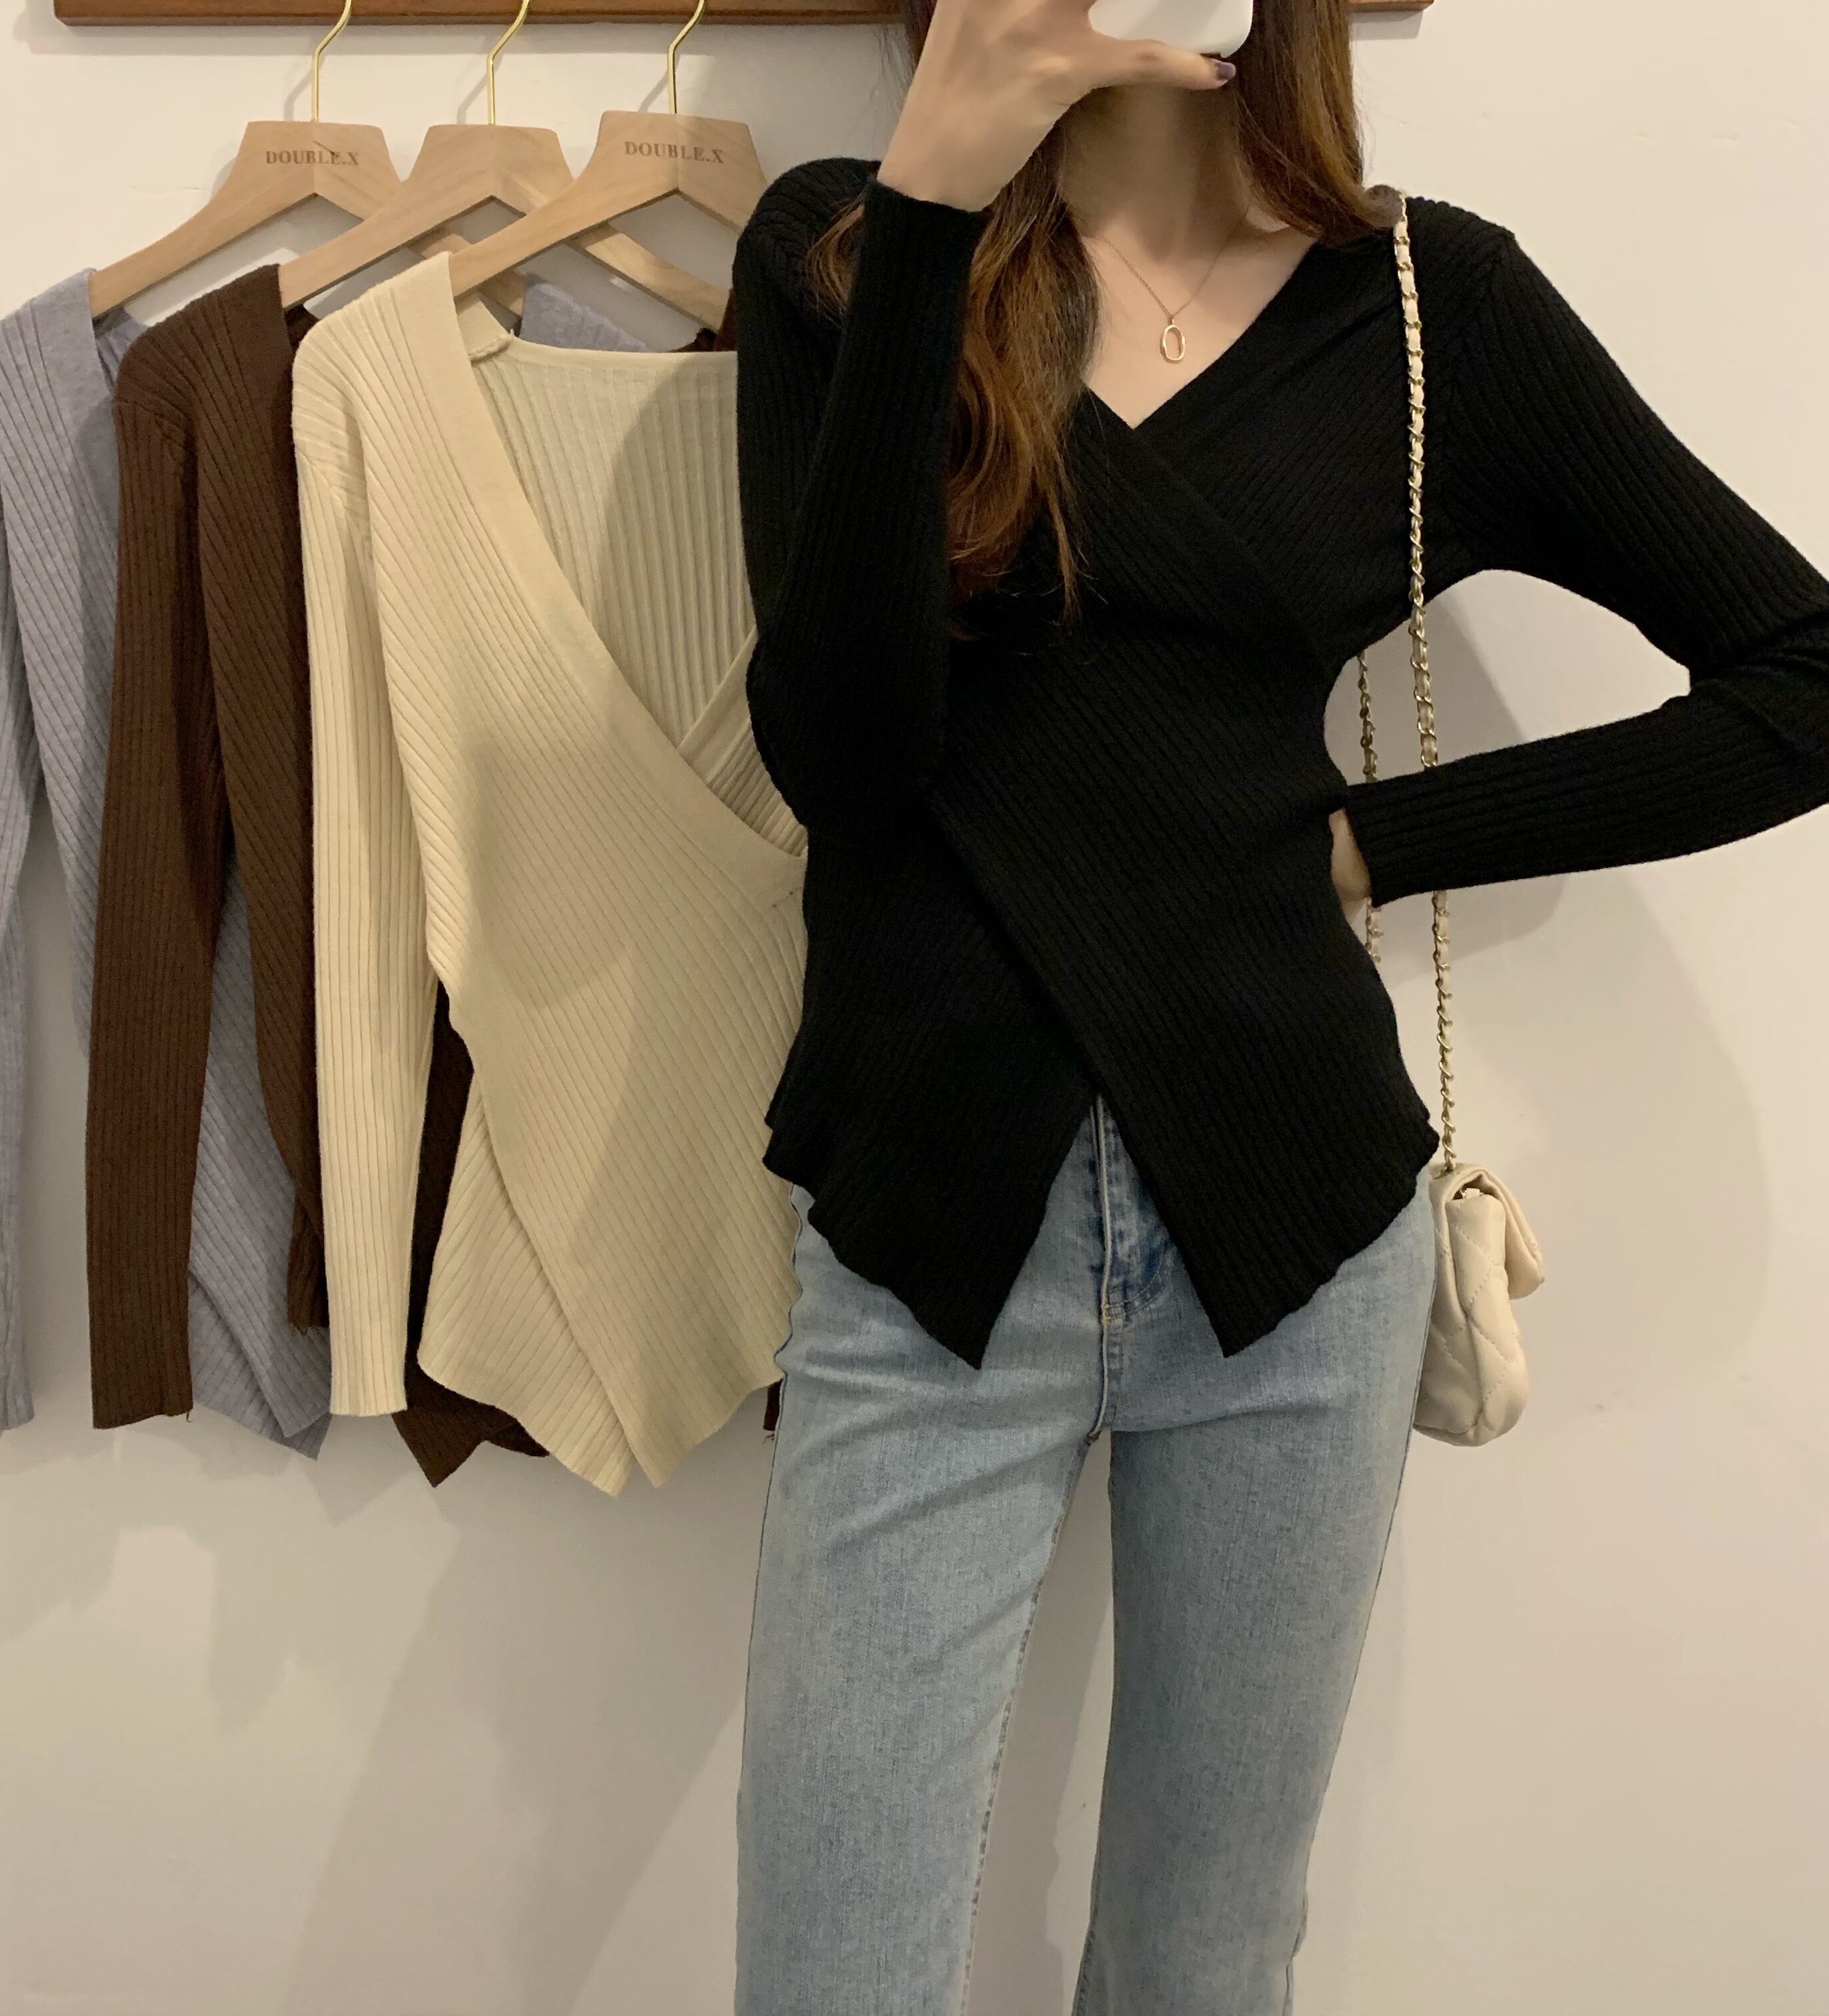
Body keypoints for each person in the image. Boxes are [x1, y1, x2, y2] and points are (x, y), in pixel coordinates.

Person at [726, 0, 1829, 2008]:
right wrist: (937, 198)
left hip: (1301, 1238)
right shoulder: (842, 247)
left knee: (1206, 1956)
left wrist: (1374, 843)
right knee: (833, 1963)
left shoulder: (1422, 308)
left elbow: (1801, 678)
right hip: (931, 1229)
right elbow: (845, 764)